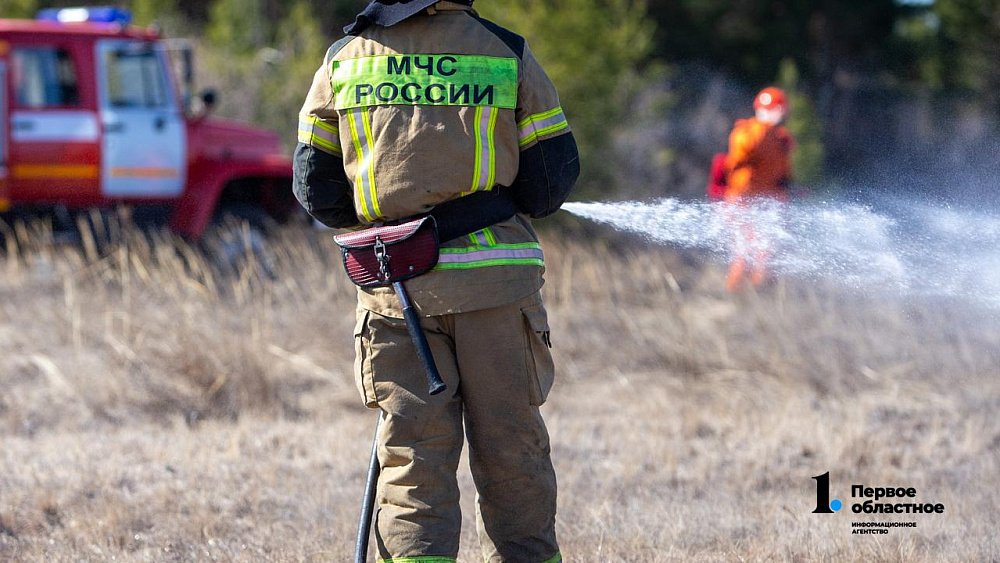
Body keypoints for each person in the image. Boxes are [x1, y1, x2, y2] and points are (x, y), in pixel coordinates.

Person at [293, 1, 579, 562]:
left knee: (412, 457)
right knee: (511, 448)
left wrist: (393, 213)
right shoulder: (505, 50)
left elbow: (316, 190)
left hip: (396, 291)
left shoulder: (344, 59)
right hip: (496, 291)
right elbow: (550, 183)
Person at [721, 86, 795, 291]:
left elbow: (783, 174)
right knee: (746, 251)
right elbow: (736, 159)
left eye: (777, 108)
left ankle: (761, 297)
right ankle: (738, 295)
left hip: (768, 203)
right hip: (743, 202)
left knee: (768, 251)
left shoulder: (781, 138)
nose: (775, 113)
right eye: (771, 108)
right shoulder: (749, 132)